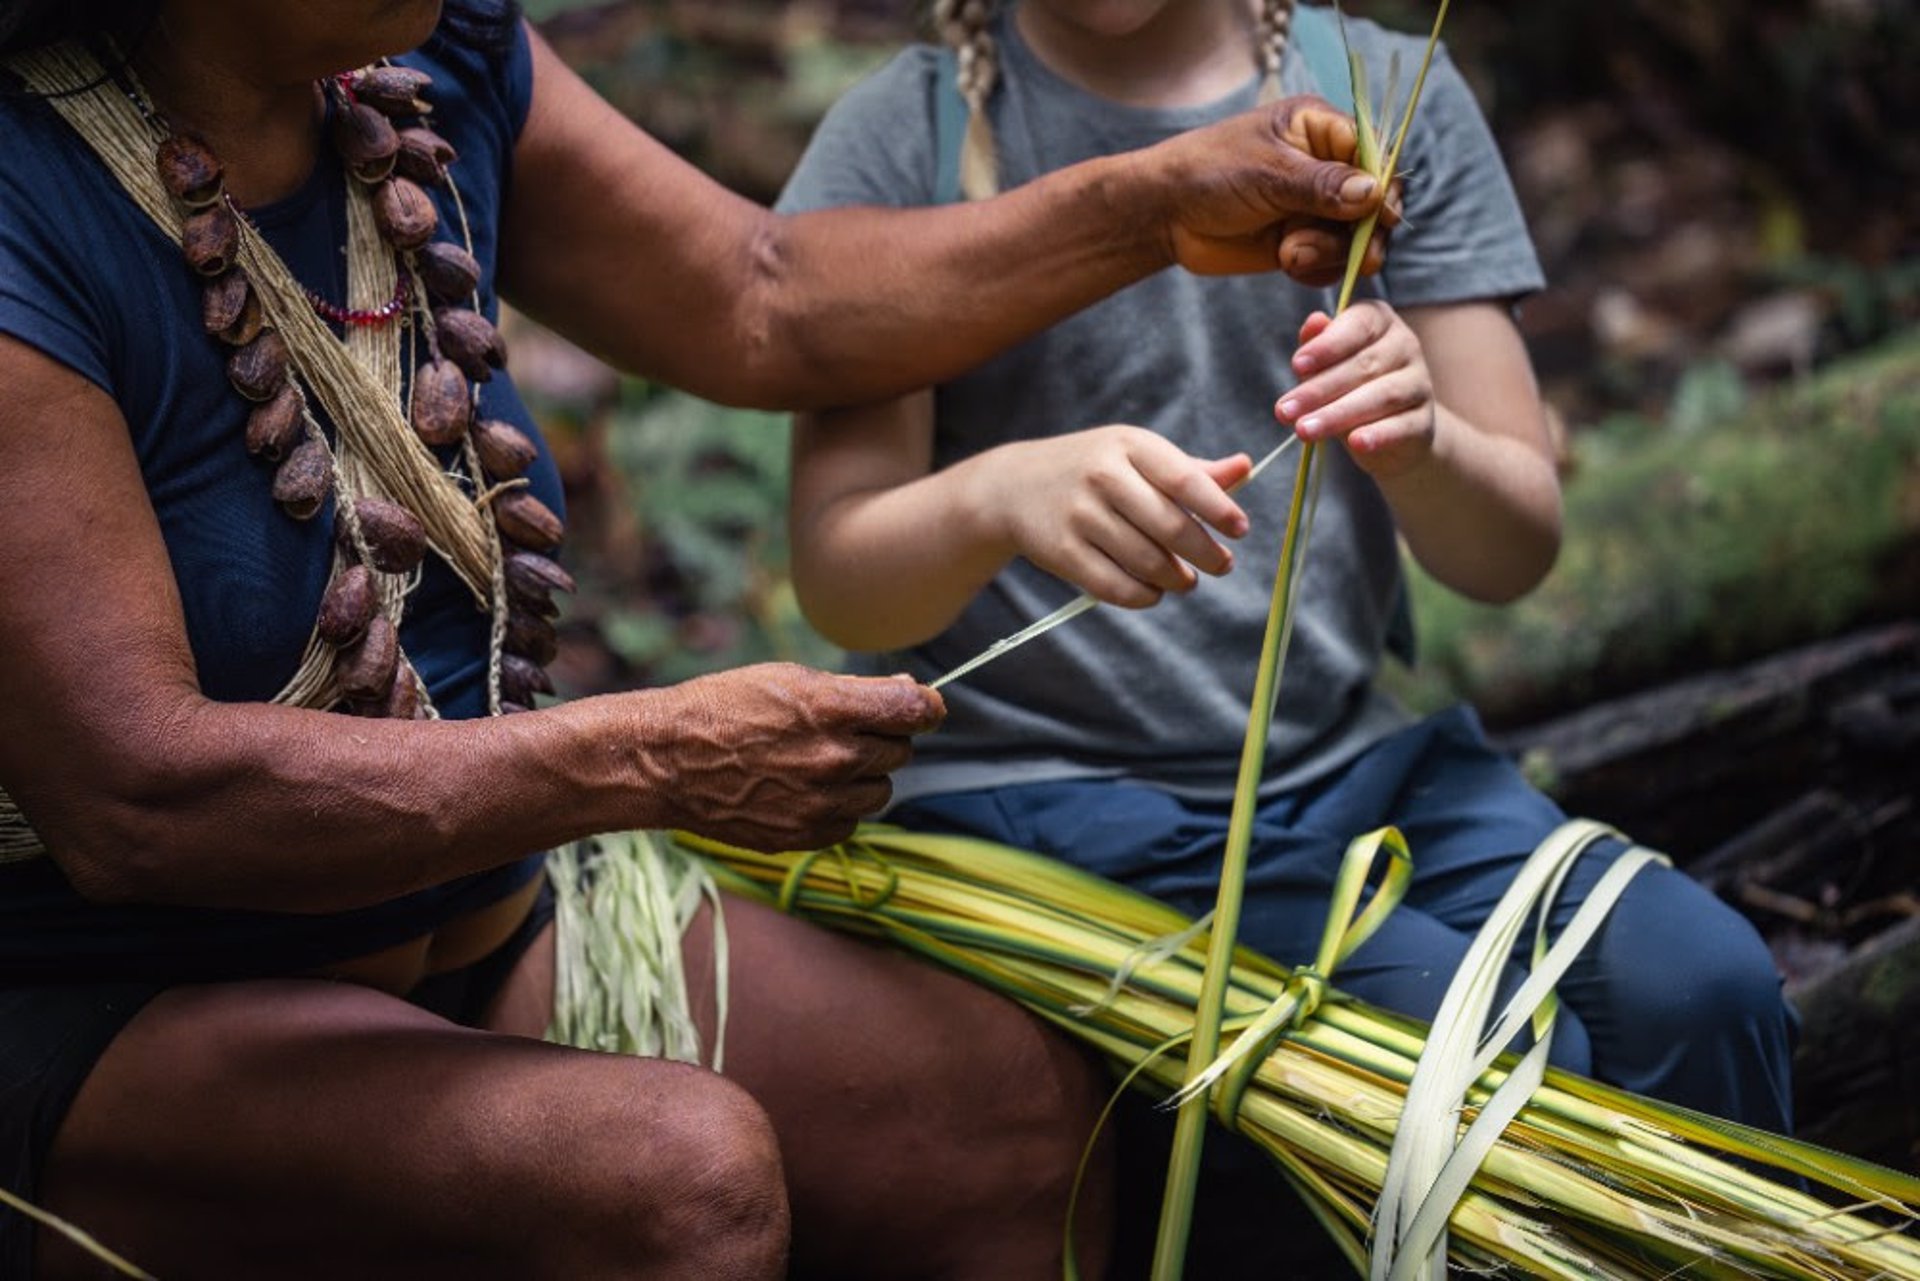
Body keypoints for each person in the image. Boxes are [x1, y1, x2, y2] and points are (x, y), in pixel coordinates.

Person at [0, 0, 1399, 1276]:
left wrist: (1151, 206)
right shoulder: (26, 196)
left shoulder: (421, 60)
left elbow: (760, 292)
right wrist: (651, 759)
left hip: (479, 924)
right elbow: (139, 794)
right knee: (678, 1183)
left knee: (1009, 1122)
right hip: (116, 1008)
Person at [779, 0, 1799, 1270]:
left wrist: (1418, 442)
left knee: (1702, 989)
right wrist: (1001, 497)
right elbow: (840, 575)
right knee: (1445, 1049)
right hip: (1037, 795)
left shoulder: (1376, 94)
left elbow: (1512, 544)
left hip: (1348, 764)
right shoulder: (907, 137)